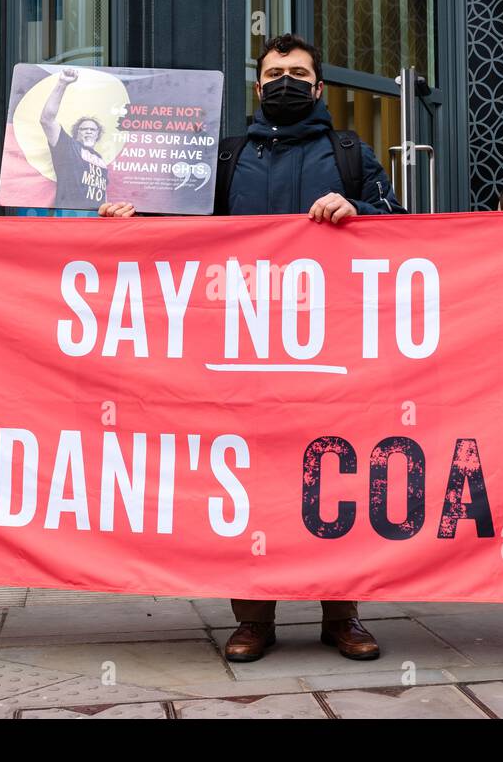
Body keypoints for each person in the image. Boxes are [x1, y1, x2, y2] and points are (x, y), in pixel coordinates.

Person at [99, 33, 405, 663]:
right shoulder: (228, 155)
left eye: (297, 73)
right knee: (246, 473)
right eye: (273, 73)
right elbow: (188, 229)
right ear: (258, 86)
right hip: (238, 344)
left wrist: (359, 206)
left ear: (318, 88)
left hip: (328, 343)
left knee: (333, 473)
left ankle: (340, 614)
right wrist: (138, 218)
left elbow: (397, 220)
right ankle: (252, 617)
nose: (285, 82)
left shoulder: (349, 153)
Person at [39, 68, 110, 210]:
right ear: (77, 133)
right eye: (84, 129)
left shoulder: (101, 160)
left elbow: (104, 194)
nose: (89, 132)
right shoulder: (67, 145)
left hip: (97, 219)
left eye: (93, 129)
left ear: (97, 135)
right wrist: (62, 83)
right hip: (69, 215)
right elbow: (46, 120)